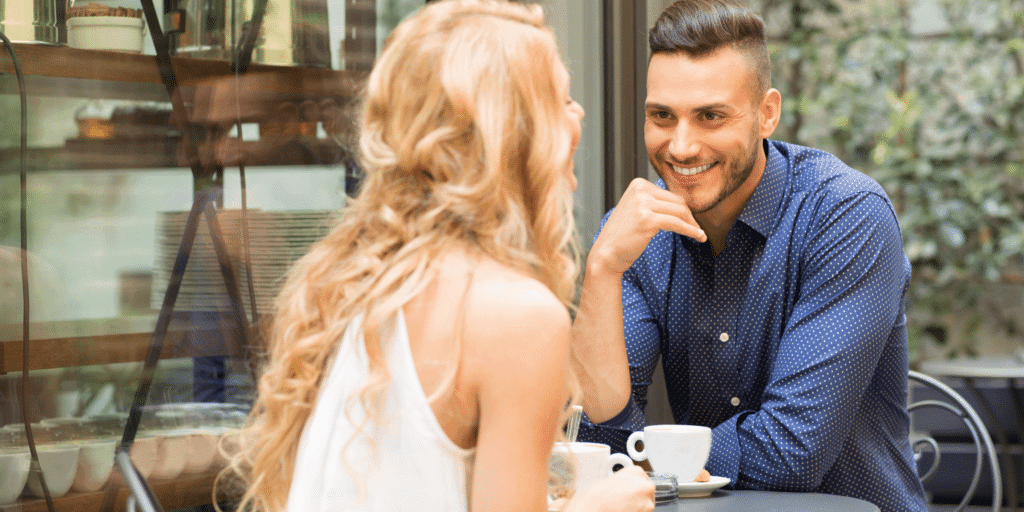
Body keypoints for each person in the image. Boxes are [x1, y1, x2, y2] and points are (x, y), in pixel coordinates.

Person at [223, 1, 655, 511]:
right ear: (515, 134)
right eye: (560, 99)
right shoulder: (517, 315)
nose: (578, 115)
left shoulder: (350, 280)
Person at [571, 1, 929, 510]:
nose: (681, 146)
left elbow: (790, 452)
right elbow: (600, 438)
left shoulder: (845, 215)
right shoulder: (633, 236)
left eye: (711, 116)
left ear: (767, 114)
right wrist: (602, 269)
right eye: (662, 116)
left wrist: (652, 459)